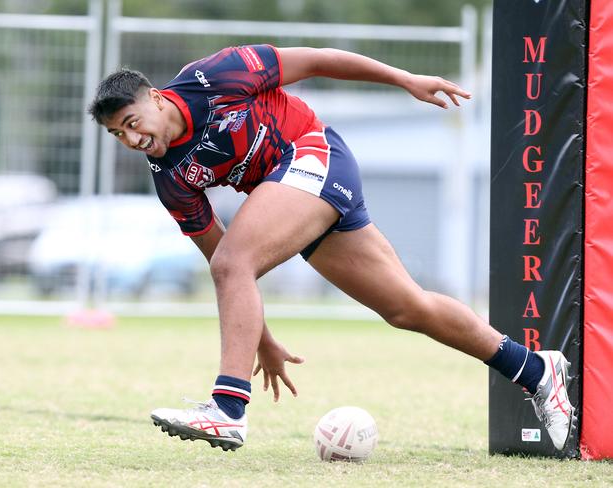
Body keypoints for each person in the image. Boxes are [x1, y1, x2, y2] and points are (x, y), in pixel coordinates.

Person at [88, 45, 575, 452]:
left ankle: (228, 408)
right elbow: (224, 261)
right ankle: (534, 369)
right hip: (295, 196)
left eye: (132, 122)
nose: (131, 138)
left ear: (154, 97)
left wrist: (404, 79)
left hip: (313, 154)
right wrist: (261, 339)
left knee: (235, 261)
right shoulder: (169, 178)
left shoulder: (214, 77)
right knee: (407, 307)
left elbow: (319, 60)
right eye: (118, 134)